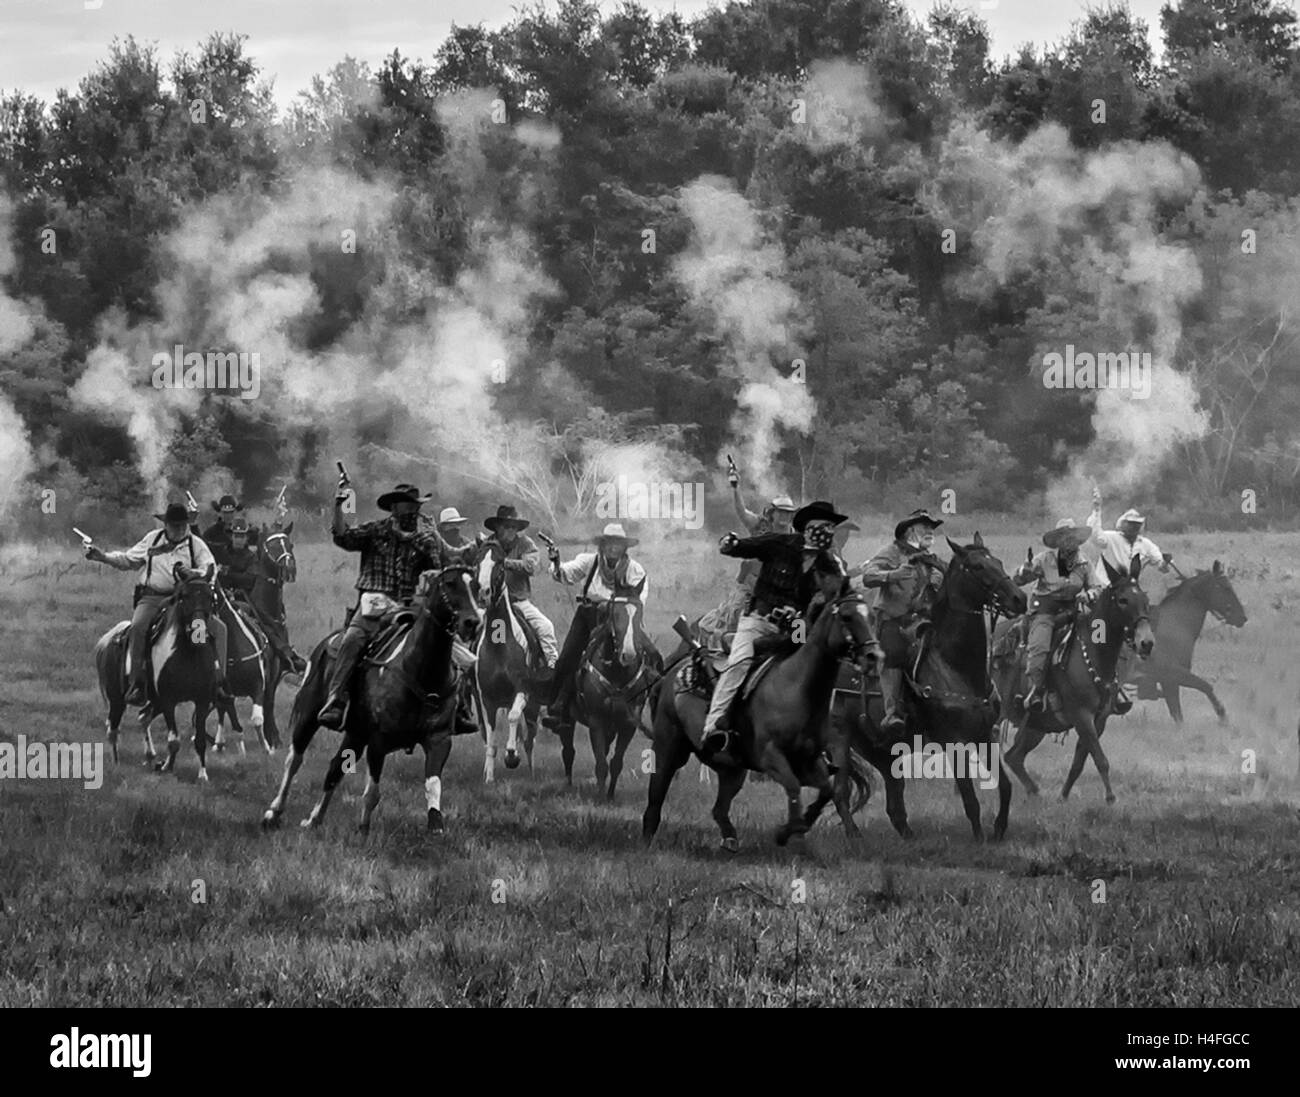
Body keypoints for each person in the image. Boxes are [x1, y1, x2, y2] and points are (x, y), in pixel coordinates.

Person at [700, 500, 849, 755]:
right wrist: (731, 543)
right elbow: (744, 547)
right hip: (757, 620)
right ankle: (713, 727)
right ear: (809, 526)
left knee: (815, 664)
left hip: (796, 626)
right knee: (739, 664)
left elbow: (842, 590)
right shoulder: (779, 543)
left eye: (832, 527)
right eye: (825, 525)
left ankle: (817, 738)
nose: (830, 531)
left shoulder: (827, 562)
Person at [317, 481, 446, 730]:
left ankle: (455, 704)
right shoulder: (374, 531)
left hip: (406, 607)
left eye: (414, 506)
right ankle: (337, 698)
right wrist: (338, 506)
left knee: (442, 639)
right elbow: (342, 536)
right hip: (372, 607)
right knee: (353, 639)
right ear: (394, 508)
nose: (411, 511)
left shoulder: (423, 540)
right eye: (406, 506)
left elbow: (436, 570)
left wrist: (433, 555)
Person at [85, 501, 229, 706]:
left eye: (182, 525)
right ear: (166, 525)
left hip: (183, 599)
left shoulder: (195, 544)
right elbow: (128, 560)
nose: (179, 529)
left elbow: (209, 568)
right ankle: (136, 683)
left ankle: (219, 683)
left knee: (219, 629)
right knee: (138, 627)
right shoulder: (152, 540)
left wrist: (194, 574)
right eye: (175, 525)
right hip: (152, 597)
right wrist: (103, 557)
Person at [541, 523, 652, 731]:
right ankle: (558, 707)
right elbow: (564, 574)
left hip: (622, 618)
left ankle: (649, 707)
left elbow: (639, 598)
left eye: (617, 544)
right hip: (589, 615)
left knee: (653, 657)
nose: (613, 548)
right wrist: (556, 562)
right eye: (609, 543)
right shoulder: (589, 561)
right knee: (568, 657)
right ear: (603, 545)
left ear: (624, 547)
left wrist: (615, 607)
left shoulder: (634, 569)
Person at [859, 509, 947, 736]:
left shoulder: (931, 558)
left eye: (931, 528)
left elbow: (949, 576)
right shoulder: (891, 552)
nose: (930, 531)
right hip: (893, 621)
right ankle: (892, 712)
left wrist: (941, 578)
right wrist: (892, 575)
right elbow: (868, 576)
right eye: (924, 527)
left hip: (924, 621)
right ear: (910, 531)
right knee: (893, 652)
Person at [1012, 518, 1099, 711]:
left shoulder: (1085, 563)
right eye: (1065, 538)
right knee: (1040, 645)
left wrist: (1089, 594)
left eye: (1073, 537)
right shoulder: (1044, 559)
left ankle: (1106, 687)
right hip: (1045, 611)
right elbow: (1018, 580)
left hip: (1073, 611)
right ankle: (1036, 689)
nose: (1070, 542)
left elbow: (1096, 587)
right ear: (1058, 541)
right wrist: (1024, 570)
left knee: (1100, 639)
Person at [477, 506, 558, 677]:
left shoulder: (526, 544)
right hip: (491, 603)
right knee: (469, 629)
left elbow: (531, 566)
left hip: (518, 601)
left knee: (545, 627)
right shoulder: (488, 544)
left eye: (514, 527)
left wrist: (504, 563)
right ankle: (468, 671)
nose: (511, 530)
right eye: (507, 526)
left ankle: (551, 668)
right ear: (498, 527)